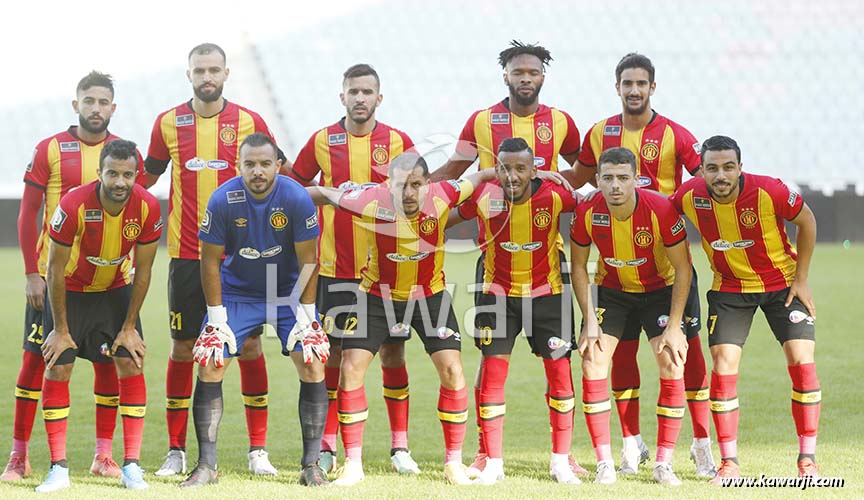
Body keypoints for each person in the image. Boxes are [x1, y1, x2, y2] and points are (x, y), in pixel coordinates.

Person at [431, 39, 586, 477]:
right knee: (492, 361)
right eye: (518, 72)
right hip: (494, 261)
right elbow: (453, 172)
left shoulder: (561, 122)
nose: (525, 78)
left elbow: (583, 171)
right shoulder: (481, 121)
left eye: (532, 72)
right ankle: (486, 453)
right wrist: (416, 196)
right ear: (506, 76)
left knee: (558, 365)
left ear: (543, 76)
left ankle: (563, 455)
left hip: (547, 264)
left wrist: (554, 180)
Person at [563, 53, 713, 476]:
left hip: (666, 266)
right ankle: (632, 445)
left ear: (652, 87)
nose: (633, 90)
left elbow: (706, 178)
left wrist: (680, 205)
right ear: (617, 87)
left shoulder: (675, 135)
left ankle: (701, 445)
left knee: (686, 356)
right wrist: (535, 182)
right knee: (619, 358)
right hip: (616, 277)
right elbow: (577, 178)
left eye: (640, 83)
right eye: (626, 83)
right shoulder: (600, 133)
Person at [307, 152, 497, 485]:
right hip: (376, 297)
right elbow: (322, 193)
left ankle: (453, 463)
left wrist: (531, 174)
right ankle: (353, 464)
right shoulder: (369, 200)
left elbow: (481, 177)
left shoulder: (445, 193)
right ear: (388, 185)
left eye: (416, 185)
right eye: (400, 186)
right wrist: (273, 193)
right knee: (350, 369)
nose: (408, 193)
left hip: (430, 296)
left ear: (428, 184)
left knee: (453, 370)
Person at [145, 43, 282, 477]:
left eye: (214, 70)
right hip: (187, 255)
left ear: (226, 73)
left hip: (240, 258)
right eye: (200, 70)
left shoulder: (250, 122)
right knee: (184, 348)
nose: (207, 76)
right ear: (188, 74)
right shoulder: (168, 123)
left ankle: (257, 450)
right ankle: (176, 451)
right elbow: (145, 178)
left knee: (250, 345)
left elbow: (273, 176)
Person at [3, 71, 146, 482]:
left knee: (109, 364)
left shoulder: (123, 156)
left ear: (113, 107)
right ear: (76, 104)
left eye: (103, 102)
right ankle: (18, 456)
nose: (95, 108)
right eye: (89, 101)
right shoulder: (50, 149)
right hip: (55, 281)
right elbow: (28, 212)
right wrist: (32, 272)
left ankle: (104, 456)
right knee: (36, 361)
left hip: (109, 281)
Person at [286, 63, 419, 476]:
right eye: (353, 91)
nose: (360, 98)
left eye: (367, 92)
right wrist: (330, 195)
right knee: (335, 355)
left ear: (379, 97)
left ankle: (400, 447)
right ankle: (328, 445)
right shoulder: (322, 140)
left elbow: (417, 195)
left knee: (393, 352)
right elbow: (294, 189)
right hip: (336, 268)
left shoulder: (399, 142)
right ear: (342, 96)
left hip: (387, 272)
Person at [178, 133, 330, 487]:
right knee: (211, 362)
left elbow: (310, 259)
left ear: (278, 164)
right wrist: (217, 319)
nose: (257, 171)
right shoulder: (222, 199)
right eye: (250, 164)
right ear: (238, 166)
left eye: (264, 164)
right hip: (237, 293)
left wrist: (307, 317)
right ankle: (206, 467)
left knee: (312, 361)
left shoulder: (296, 197)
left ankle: (311, 466)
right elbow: (209, 261)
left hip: (288, 293)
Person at [669, 135, 820, 483]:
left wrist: (802, 279)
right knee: (723, 365)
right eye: (712, 168)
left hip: (782, 285)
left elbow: (807, 220)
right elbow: (658, 210)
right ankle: (729, 464)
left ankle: (808, 461)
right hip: (730, 289)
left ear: (740, 167)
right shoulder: (689, 195)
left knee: (802, 361)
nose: (720, 175)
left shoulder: (769, 190)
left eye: (728, 167)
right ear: (701, 170)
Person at [447, 138, 581, 485]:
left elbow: (591, 207)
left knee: (560, 375)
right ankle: (493, 462)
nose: (513, 176)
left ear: (534, 170)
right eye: (505, 168)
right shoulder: (484, 195)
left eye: (522, 168)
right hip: (497, 294)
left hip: (549, 294)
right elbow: (444, 213)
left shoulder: (555, 196)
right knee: (493, 374)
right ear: (496, 169)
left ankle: (561, 461)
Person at [35, 139, 162, 492]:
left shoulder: (148, 207)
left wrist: (129, 326)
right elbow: (54, 269)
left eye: (127, 175)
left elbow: (144, 270)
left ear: (136, 175)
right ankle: (58, 469)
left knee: (130, 362)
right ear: (99, 172)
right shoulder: (73, 204)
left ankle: (131, 466)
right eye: (112, 173)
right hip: (71, 292)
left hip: (114, 292)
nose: (120, 182)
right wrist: (60, 329)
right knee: (58, 366)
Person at [570, 147, 691, 486]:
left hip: (659, 291)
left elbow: (684, 267)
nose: (615, 185)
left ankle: (664, 463)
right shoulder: (587, 211)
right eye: (608, 178)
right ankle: (605, 463)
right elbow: (577, 266)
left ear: (636, 179)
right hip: (612, 291)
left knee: (672, 360)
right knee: (592, 359)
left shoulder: (660, 210)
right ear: (597, 180)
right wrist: (590, 320)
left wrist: (675, 326)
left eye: (623, 178)